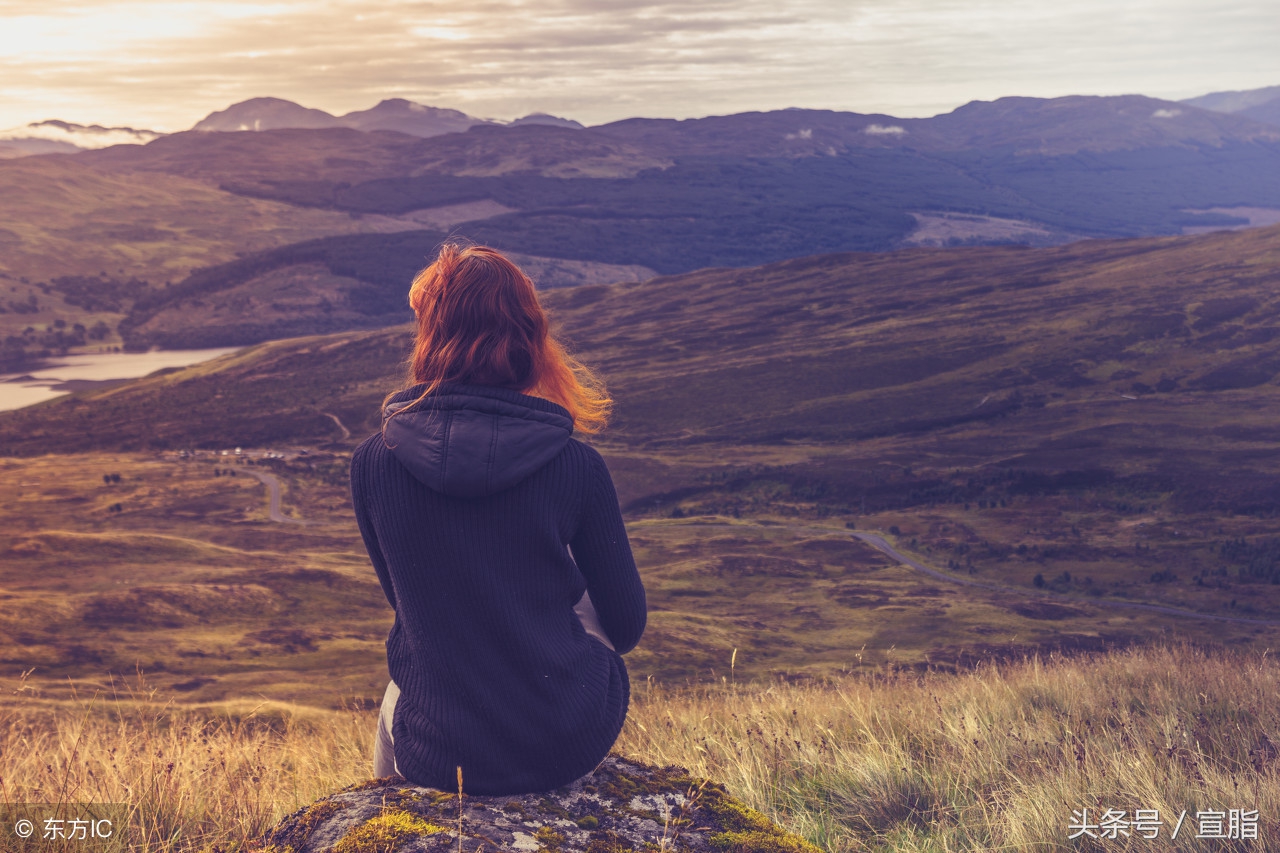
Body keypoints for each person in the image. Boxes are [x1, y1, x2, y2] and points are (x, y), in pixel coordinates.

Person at [349, 243, 647, 795]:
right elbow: (625, 627)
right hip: (565, 744)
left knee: (401, 684)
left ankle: (393, 820)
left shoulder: (373, 461)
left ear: (430, 335)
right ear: (531, 337)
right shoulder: (577, 466)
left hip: (438, 757)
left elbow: (408, 608)